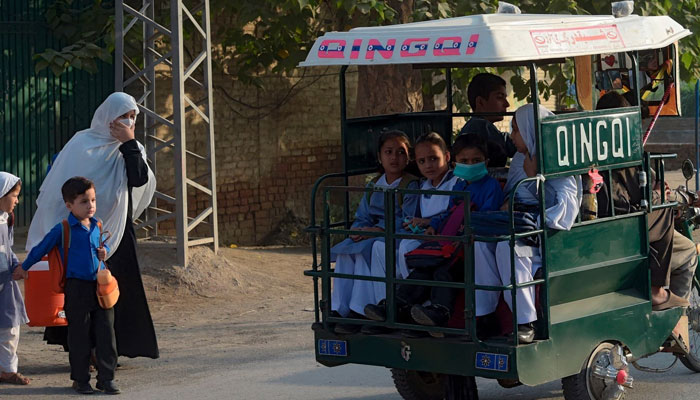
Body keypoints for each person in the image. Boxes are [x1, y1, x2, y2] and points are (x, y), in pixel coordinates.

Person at [25, 92, 159, 359]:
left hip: (115, 232)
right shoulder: (81, 143)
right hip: (78, 235)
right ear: (108, 117)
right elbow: (59, 189)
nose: (128, 122)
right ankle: (85, 352)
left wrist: (129, 144)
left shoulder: (131, 148)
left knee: (113, 293)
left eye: (133, 117)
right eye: (123, 116)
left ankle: (111, 351)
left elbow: (139, 178)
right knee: (81, 295)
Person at [478, 104, 582, 344]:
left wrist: (535, 177)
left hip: (543, 233)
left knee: (507, 247)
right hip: (517, 223)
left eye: (516, 130)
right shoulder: (519, 159)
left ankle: (525, 321)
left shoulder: (556, 159)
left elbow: (565, 210)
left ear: (531, 130)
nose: (512, 136)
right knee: (481, 245)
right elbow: (512, 193)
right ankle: (485, 316)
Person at [16, 177, 118, 394]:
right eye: (84, 201)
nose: (90, 205)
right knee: (79, 335)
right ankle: (81, 380)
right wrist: (24, 266)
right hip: (76, 288)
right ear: (69, 205)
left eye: (93, 200)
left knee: (106, 333)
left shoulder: (97, 224)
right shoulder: (63, 229)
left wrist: (105, 250)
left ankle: (106, 378)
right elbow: (41, 248)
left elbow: (103, 244)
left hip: (100, 287)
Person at [595, 91, 696, 310]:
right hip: (626, 231)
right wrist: (661, 196)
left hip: (616, 227)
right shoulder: (622, 154)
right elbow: (638, 201)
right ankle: (667, 308)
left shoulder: (604, 151)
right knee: (686, 247)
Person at [406, 134, 505, 331]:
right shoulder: (460, 185)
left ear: (486, 161)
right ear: (456, 162)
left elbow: (486, 217)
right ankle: (398, 305)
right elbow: (448, 213)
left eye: (476, 161)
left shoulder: (490, 186)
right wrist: (434, 225)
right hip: (452, 242)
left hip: (470, 243)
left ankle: (440, 312)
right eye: (464, 161)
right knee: (424, 268)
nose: (470, 165)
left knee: (444, 271)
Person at [363, 132, 461, 321]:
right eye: (422, 161)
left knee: (409, 249)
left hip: (447, 241)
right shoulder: (423, 185)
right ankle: (385, 305)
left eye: (434, 158)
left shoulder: (456, 183)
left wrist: (430, 222)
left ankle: (416, 310)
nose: (429, 165)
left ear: (447, 157)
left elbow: (455, 213)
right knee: (381, 247)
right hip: (425, 238)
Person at [330, 130, 419, 334]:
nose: (394, 157)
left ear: (409, 157)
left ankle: (360, 309)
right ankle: (338, 308)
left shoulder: (410, 185)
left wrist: (377, 230)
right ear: (380, 157)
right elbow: (363, 215)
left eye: (400, 152)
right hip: (371, 234)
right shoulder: (373, 185)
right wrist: (358, 230)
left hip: (394, 237)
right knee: (346, 251)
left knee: (363, 251)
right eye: (388, 152)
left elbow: (408, 218)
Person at [0, 173, 30, 386]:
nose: (17, 201)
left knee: (10, 328)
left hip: (5, 282)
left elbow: (8, 249)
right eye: (14, 195)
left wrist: (16, 266)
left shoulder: (6, 219)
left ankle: (8, 370)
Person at [459, 73, 516, 167]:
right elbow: (509, 146)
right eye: (500, 97)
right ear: (480, 102)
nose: (507, 104)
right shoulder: (480, 126)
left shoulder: (478, 125)